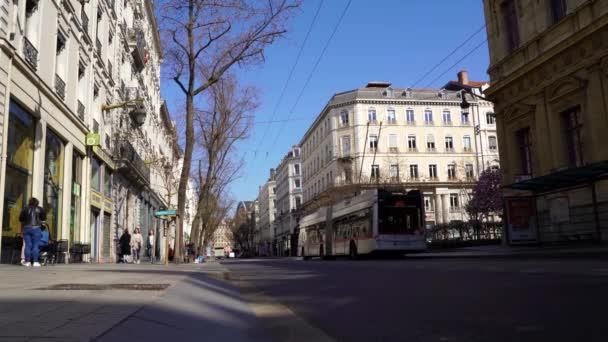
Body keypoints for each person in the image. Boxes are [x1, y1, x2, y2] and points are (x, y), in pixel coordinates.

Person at [18, 197, 46, 267]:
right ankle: (35, 262)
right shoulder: (40, 209)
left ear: (29, 202)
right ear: (37, 202)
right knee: (35, 245)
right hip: (36, 228)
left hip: (27, 228)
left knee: (27, 245)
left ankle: (27, 262)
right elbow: (44, 218)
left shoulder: (25, 209)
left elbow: (20, 219)